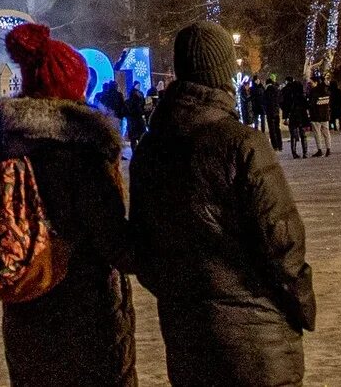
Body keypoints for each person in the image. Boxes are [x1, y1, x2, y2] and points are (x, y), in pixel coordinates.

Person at [132, 22, 313, 387]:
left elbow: (144, 249)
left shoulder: (150, 151)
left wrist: (181, 293)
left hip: (186, 335)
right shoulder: (242, 144)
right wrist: (301, 303)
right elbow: (282, 240)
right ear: (222, 74)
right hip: (257, 337)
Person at [0, 22, 136, 387]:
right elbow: (115, 242)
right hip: (86, 318)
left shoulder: (8, 152)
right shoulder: (80, 157)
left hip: (26, 311)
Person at [279, 75, 312, 159]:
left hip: (292, 115)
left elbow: (282, 104)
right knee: (303, 134)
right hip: (301, 115)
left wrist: (286, 114)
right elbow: (307, 105)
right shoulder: (300, 95)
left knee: (293, 135)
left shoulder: (286, 93)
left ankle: (294, 153)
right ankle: (305, 153)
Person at [257, 73, 283, 151]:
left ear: (267, 83)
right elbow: (280, 100)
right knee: (277, 129)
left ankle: (275, 146)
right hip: (276, 112)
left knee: (272, 130)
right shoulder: (277, 90)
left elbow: (263, 102)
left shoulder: (266, 91)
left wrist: (265, 109)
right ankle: (280, 145)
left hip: (269, 112)